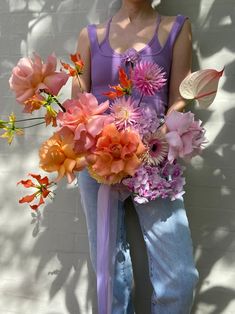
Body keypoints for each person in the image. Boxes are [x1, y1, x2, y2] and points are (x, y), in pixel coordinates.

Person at [72, 0, 199, 313]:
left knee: (179, 281)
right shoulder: (90, 37)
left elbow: (178, 103)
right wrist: (94, 147)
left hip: (154, 166)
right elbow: (77, 108)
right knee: (110, 278)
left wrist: (155, 140)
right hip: (99, 167)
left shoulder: (176, 28)